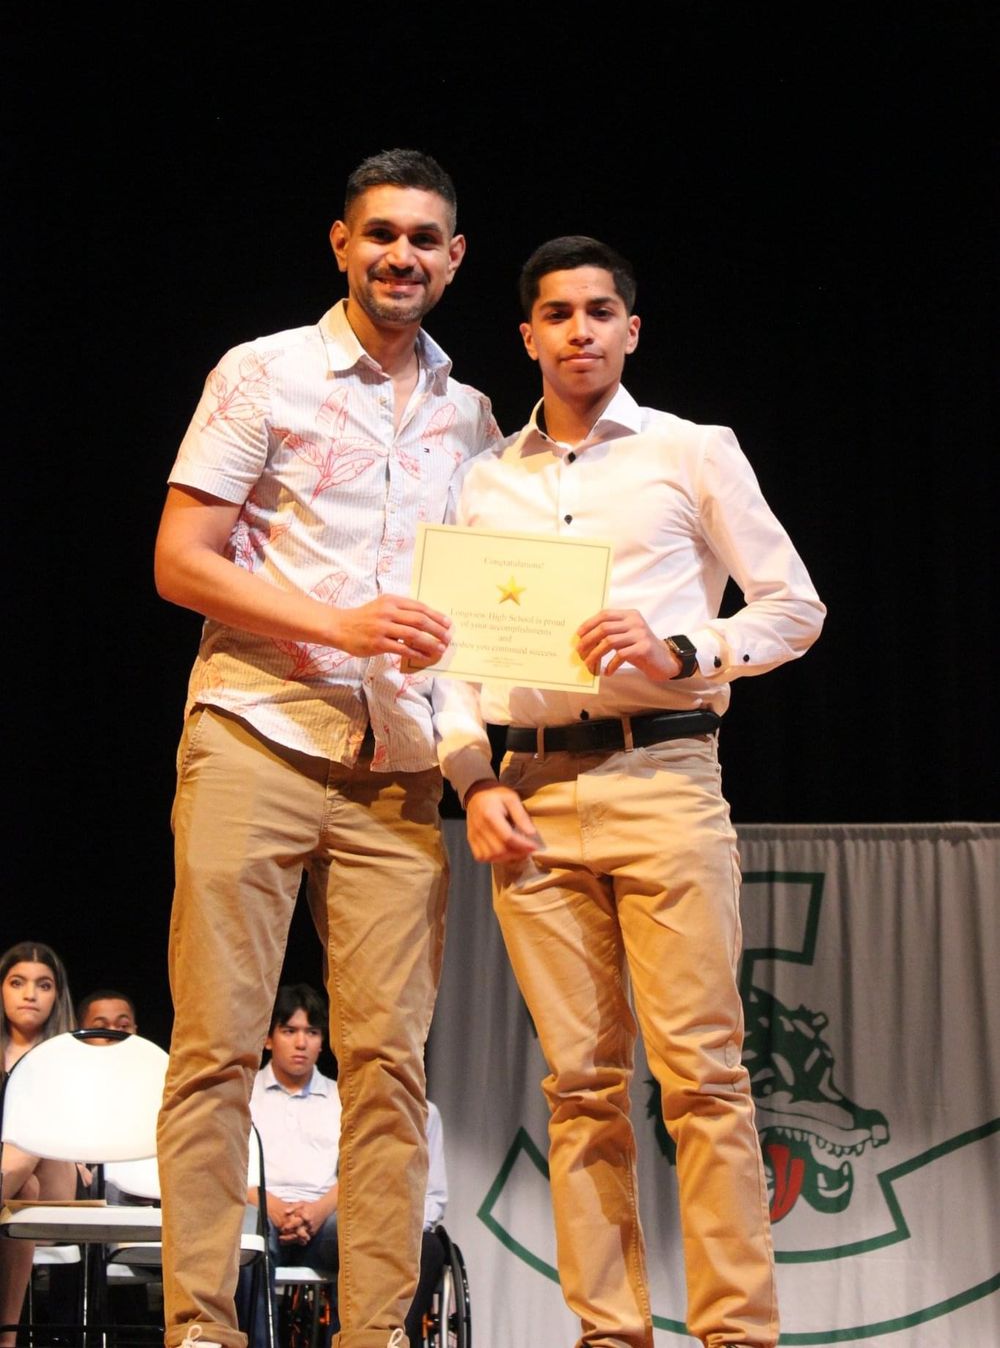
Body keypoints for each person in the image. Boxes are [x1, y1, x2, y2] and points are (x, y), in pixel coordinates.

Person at [434, 236, 826, 1348]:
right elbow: (447, 660)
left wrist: (681, 647)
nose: (579, 331)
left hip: (663, 773)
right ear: (527, 336)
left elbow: (793, 609)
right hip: (529, 791)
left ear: (631, 329)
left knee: (702, 1076)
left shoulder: (691, 451)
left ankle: (738, 1334)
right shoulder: (483, 480)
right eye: (556, 314)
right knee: (579, 1090)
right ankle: (608, 1335)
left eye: (600, 311)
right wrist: (469, 777)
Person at [154, 148, 499, 1348]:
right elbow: (179, 561)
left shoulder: (474, 417)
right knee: (213, 1048)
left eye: (425, 239)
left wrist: (477, 760)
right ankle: (201, 1328)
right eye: (380, 234)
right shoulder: (263, 373)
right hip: (257, 728)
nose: (401, 255)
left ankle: (376, 1334)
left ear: (454, 261)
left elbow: (480, 616)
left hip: (397, 766)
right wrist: (337, 625)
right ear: (341, 245)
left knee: (391, 1066)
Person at [238, 985, 447, 1348]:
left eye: (312, 1032)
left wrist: (319, 1210)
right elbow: (227, 1170)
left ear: (323, 1041)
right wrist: (267, 1204)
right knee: (242, 1231)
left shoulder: (343, 1098)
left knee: (368, 1233)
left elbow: (359, 1170)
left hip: (324, 1217)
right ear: (269, 1038)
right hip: (259, 1208)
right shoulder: (244, 1095)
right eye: (290, 1031)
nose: (301, 1043)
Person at [0, 942, 78, 1348]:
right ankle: (7, 1338)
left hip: (59, 1179)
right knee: (22, 1190)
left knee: (31, 1143)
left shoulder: (72, 1057)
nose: (30, 994)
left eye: (43, 985)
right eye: (17, 982)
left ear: (56, 994)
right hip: (20, 1194)